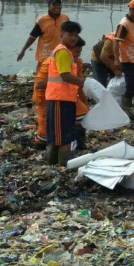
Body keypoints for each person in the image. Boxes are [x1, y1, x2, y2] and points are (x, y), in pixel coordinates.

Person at [45, 21, 85, 167]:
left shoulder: (67, 52)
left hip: (66, 99)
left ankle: (55, 165)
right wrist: (83, 83)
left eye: (76, 35)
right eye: (70, 35)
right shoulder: (62, 51)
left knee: (62, 136)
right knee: (62, 139)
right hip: (59, 100)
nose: (73, 38)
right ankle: (61, 167)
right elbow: (65, 75)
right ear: (61, 34)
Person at [17, 0, 70, 72]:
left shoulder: (65, 18)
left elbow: (70, 35)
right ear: (48, 6)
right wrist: (23, 50)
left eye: (59, 4)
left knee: (59, 79)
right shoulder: (42, 20)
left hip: (61, 55)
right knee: (41, 81)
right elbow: (32, 37)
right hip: (45, 57)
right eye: (54, 5)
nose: (57, 7)